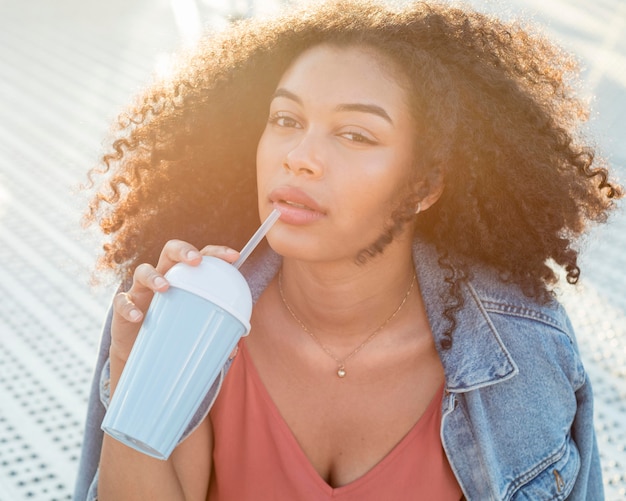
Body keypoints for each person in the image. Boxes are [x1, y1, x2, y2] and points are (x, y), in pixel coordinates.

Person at [73, 1, 622, 499]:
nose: (300, 157)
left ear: (427, 183)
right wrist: (132, 374)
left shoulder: (523, 350)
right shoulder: (190, 315)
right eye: (286, 121)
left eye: (355, 134)